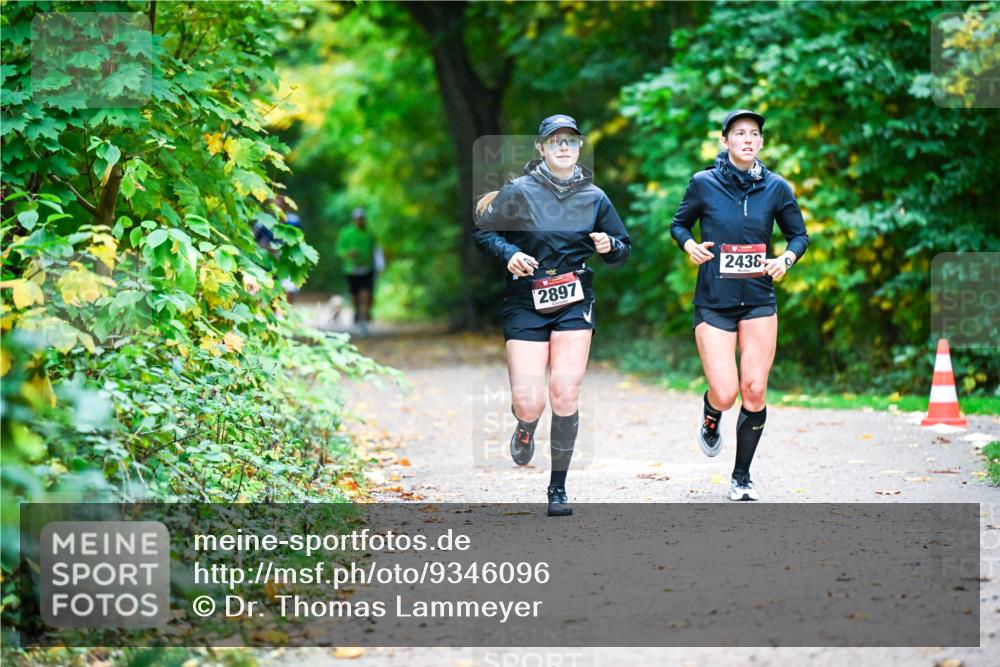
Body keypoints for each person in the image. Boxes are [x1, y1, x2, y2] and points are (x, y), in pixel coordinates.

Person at [474, 114, 631, 516]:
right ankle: (526, 425)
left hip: (574, 298)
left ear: (579, 148)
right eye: (555, 141)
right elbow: (484, 232)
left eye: (571, 141)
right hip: (526, 299)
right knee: (530, 401)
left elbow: (623, 249)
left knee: (565, 392)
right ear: (541, 148)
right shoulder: (519, 191)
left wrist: (609, 245)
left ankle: (557, 488)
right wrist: (510, 253)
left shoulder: (595, 197)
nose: (564, 146)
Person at [669, 109, 809, 501]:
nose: (748, 140)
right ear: (725, 141)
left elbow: (799, 236)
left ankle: (741, 476)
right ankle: (711, 413)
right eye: (739, 133)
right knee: (726, 392)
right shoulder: (703, 183)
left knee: (755, 387)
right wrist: (689, 245)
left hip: (758, 298)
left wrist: (785, 260)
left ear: (761, 142)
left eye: (754, 134)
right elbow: (678, 224)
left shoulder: (776, 187)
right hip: (714, 301)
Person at [335, 207, 379, 336]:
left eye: (362, 218)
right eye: (358, 219)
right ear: (354, 220)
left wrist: (378, 265)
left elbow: (375, 252)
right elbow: (339, 250)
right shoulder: (346, 232)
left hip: (367, 268)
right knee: (354, 296)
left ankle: (363, 320)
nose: (360, 221)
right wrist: (349, 254)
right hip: (351, 269)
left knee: (366, 294)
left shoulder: (370, 234)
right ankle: (357, 314)